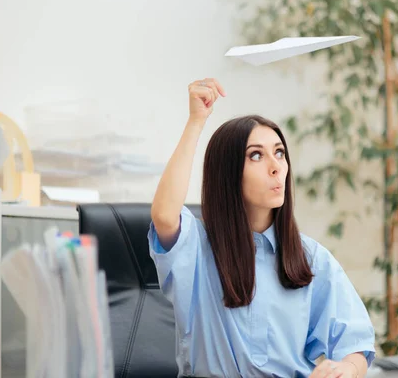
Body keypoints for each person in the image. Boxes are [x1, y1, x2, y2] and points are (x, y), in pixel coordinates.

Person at [148, 77, 376, 378]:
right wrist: (196, 122)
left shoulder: (309, 257)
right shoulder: (197, 246)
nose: (275, 166)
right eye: (256, 155)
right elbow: (164, 216)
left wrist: (346, 369)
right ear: (228, 173)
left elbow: (355, 343)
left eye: (279, 153)